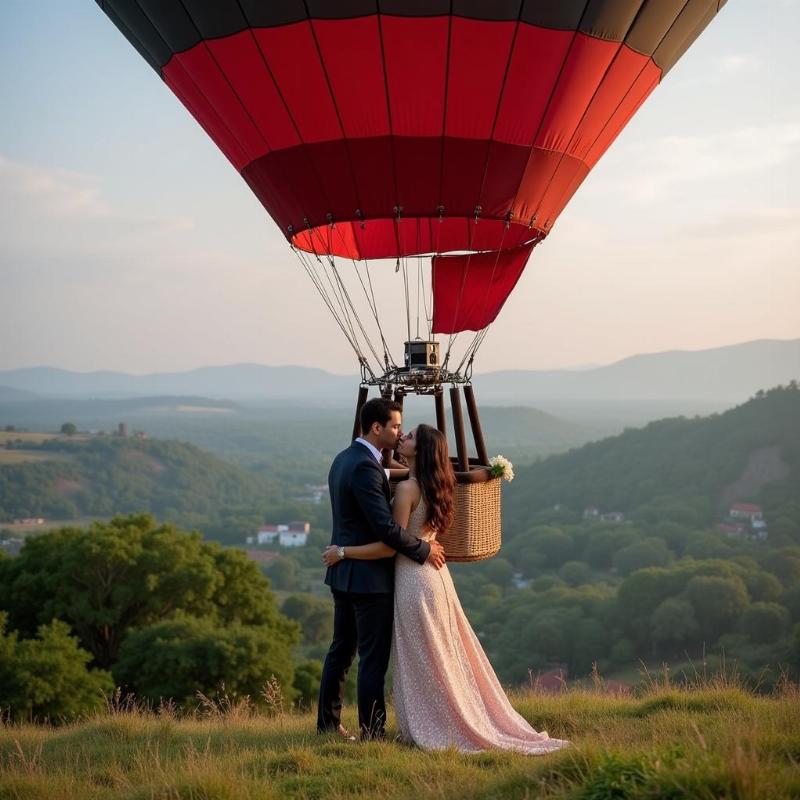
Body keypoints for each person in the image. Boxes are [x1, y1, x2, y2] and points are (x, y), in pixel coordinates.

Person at [323, 423, 569, 754]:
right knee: (440, 654)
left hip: (412, 579)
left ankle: (434, 726)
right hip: (435, 577)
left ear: (419, 451)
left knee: (424, 658)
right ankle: (447, 719)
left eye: (408, 437)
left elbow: (390, 544)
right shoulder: (436, 485)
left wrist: (342, 551)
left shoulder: (409, 489)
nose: (402, 438)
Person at [317, 399, 447, 741]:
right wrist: (424, 548)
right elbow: (387, 531)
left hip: (343, 572)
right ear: (377, 428)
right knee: (371, 660)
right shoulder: (365, 467)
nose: (399, 431)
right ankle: (373, 734)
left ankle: (328, 726)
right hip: (369, 578)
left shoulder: (344, 459)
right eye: (394, 426)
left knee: (340, 652)